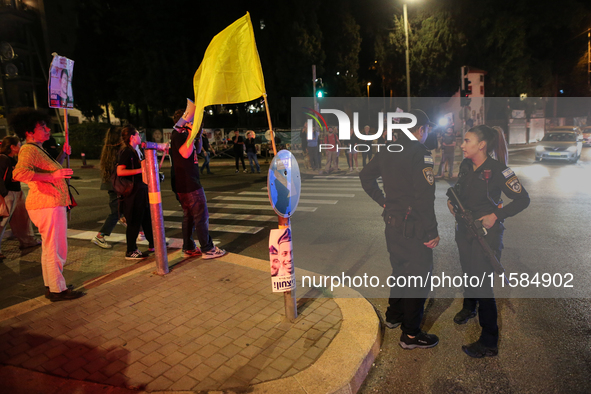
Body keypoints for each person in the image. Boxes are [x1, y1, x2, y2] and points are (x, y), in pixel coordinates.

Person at [360, 109, 440, 350]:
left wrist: (382, 200)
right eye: (426, 130)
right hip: (414, 228)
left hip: (392, 225)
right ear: (421, 130)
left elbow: (365, 176)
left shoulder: (388, 150)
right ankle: (411, 335)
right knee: (417, 279)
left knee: (400, 270)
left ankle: (394, 316)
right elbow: (424, 197)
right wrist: (432, 231)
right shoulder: (420, 153)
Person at [448, 125, 530, 358]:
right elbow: (459, 190)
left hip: (486, 234)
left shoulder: (499, 170)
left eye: (467, 140)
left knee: (483, 285)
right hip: (464, 230)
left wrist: (496, 215)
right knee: (468, 273)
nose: (462, 145)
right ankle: (468, 307)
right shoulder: (466, 165)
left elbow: (523, 199)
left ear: (481, 145)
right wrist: (452, 203)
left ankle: (489, 341)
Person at [10, 107, 84, 301]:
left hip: (46, 204)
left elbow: (50, 169)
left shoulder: (37, 149)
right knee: (55, 249)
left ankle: (52, 285)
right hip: (47, 204)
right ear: (29, 131)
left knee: (49, 248)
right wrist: (52, 175)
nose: (48, 130)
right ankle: (58, 290)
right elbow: (19, 173)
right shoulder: (28, 149)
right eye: (43, 127)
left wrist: (62, 155)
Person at [170, 110, 226, 259]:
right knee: (201, 216)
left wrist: (198, 133)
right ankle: (208, 249)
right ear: (186, 120)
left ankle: (188, 247)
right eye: (192, 120)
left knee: (189, 217)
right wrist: (190, 132)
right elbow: (186, 153)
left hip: (186, 183)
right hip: (189, 183)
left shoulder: (182, 134)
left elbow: (198, 149)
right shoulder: (179, 134)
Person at [117, 125, 155, 259]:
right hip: (132, 193)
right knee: (133, 221)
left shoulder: (136, 150)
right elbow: (120, 171)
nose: (140, 137)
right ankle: (130, 250)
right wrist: (141, 170)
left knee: (146, 219)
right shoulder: (127, 151)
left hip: (140, 190)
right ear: (132, 137)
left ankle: (153, 243)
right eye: (138, 135)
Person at [0, 136, 39, 258]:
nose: (21, 147)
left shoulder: (13, 159)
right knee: (3, 222)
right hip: (8, 193)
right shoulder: (3, 158)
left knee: (22, 219)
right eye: (19, 144)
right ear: (12, 147)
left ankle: (28, 241)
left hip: (17, 192)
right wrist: (4, 193)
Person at [92, 126, 122, 249]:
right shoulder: (119, 151)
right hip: (118, 186)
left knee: (124, 211)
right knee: (116, 213)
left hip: (112, 185)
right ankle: (100, 236)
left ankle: (141, 232)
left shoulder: (108, 150)